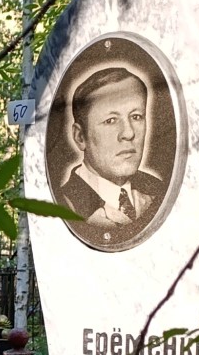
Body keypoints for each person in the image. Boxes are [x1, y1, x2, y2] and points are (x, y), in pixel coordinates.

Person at [56, 63, 167, 247]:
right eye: (111, 120)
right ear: (80, 137)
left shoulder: (159, 190)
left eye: (136, 116)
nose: (128, 133)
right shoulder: (65, 204)